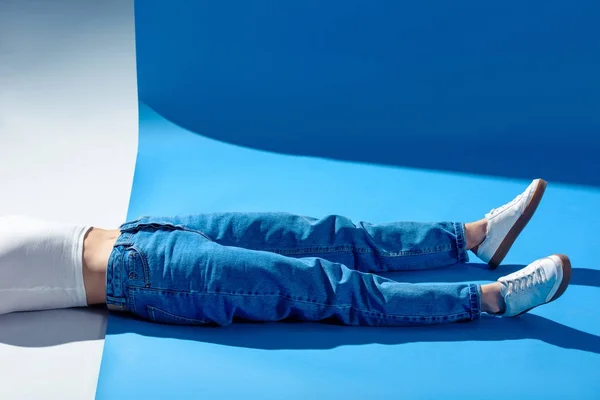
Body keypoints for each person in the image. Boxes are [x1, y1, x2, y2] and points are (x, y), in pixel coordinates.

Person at [0, 178, 571, 327]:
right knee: (328, 286)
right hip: (151, 277)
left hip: (143, 230)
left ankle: (471, 236)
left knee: (325, 232)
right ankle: (491, 300)